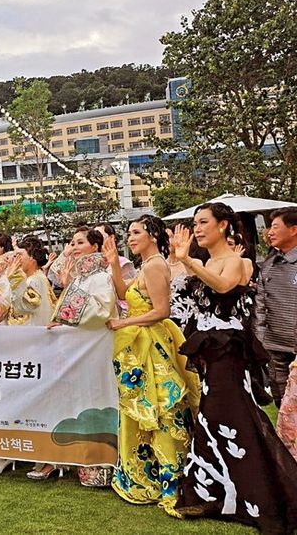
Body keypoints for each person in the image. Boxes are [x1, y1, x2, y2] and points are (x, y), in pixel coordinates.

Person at [171, 203, 297, 533]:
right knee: (213, 417)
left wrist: (188, 262)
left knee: (234, 418)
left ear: (224, 225)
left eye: (203, 222)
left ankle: (262, 495)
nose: (196, 228)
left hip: (230, 354)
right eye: (194, 223)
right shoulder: (208, 261)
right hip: (211, 354)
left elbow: (224, 287)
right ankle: (209, 493)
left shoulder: (239, 262)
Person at [103, 216, 199, 516]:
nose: (130, 238)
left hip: (153, 346)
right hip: (137, 347)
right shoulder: (147, 265)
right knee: (143, 409)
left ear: (153, 235)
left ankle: (169, 480)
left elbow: (161, 310)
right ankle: (150, 475)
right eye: (128, 234)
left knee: (161, 407)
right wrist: (114, 265)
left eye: (136, 233)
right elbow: (124, 295)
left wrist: (124, 322)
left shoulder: (156, 264)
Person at [39, 227, 118, 485]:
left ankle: (103, 466)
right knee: (80, 398)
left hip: (96, 349)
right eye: (72, 242)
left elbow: (102, 311)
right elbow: (66, 311)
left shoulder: (101, 277)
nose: (73, 247)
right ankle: (84, 461)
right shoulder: (78, 279)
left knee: (97, 398)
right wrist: (59, 321)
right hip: (78, 351)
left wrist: (68, 310)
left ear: (95, 247)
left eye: (80, 242)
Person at [0, 236, 56, 476]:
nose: (15, 260)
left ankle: (48, 459)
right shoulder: (27, 279)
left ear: (33, 257)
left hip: (34, 351)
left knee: (36, 405)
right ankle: (12, 452)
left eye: (20, 255)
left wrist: (14, 278)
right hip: (20, 350)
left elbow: (26, 306)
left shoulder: (36, 280)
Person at [256, 207, 297, 408]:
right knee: (283, 407)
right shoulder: (269, 263)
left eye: (274, 227)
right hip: (275, 348)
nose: (269, 232)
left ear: (294, 229)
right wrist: (262, 339)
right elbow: (261, 305)